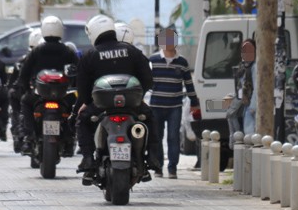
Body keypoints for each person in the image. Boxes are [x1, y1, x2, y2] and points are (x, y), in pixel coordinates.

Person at [74, 14, 156, 181]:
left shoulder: (90, 55)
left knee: (83, 120)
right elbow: (148, 78)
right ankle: (153, 157)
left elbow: (82, 88)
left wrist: (85, 104)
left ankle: (88, 160)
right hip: (131, 104)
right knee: (150, 118)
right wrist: (138, 97)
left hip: (102, 106)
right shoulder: (132, 51)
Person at [17, 16, 79, 157]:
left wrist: (26, 89)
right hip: (63, 96)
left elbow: (24, 72)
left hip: (40, 95)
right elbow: (78, 71)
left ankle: (29, 136)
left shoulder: (36, 51)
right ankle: (69, 139)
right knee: (73, 110)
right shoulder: (67, 51)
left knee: (25, 102)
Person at [148, 27, 200, 179]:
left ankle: (172, 168)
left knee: (173, 137)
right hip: (156, 105)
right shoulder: (153, 60)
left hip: (174, 106)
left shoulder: (182, 62)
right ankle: (158, 167)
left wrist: (194, 102)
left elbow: (189, 84)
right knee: (156, 137)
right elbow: (146, 81)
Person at [7, 28, 43, 153]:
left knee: (17, 110)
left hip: (31, 96)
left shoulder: (24, 60)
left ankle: (21, 134)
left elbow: (14, 83)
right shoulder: (59, 55)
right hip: (45, 96)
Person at [227, 38, 256, 148]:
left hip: (250, 105)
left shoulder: (254, 66)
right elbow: (240, 84)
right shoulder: (243, 66)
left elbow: (257, 88)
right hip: (243, 102)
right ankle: (234, 139)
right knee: (231, 113)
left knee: (250, 134)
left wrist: (253, 106)